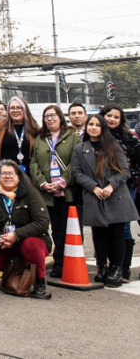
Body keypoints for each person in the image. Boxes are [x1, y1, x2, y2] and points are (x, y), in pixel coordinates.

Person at [73, 114, 139, 287]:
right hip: (94, 195)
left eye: (97, 125)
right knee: (99, 235)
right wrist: (93, 187)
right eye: (91, 124)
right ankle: (101, 266)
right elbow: (77, 172)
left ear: (103, 128)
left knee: (117, 233)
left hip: (115, 195)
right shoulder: (80, 148)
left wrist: (110, 186)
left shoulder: (113, 146)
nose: (93, 127)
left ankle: (116, 268)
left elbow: (125, 170)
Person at [0, 160, 52, 299]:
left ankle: (40, 282)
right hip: (4, 243)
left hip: (29, 241)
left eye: (11, 173)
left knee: (31, 245)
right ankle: (16, 271)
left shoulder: (30, 194)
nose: (8, 176)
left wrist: (16, 235)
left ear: (19, 176)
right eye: (3, 173)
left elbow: (42, 222)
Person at [29, 105, 78, 279]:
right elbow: (33, 162)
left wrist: (63, 182)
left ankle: (69, 262)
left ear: (60, 117)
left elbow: (76, 162)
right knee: (55, 229)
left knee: (68, 229)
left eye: (53, 115)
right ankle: (58, 263)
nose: (49, 119)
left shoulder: (72, 137)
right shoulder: (40, 139)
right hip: (47, 193)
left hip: (67, 192)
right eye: (46, 116)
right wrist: (42, 183)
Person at [99, 105, 140, 280]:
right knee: (104, 228)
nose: (112, 119)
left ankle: (123, 268)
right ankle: (108, 266)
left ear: (121, 120)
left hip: (124, 189)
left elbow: (136, 167)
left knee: (123, 227)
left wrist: (124, 185)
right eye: (109, 116)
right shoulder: (95, 137)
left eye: (116, 117)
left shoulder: (130, 139)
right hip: (100, 190)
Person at [0, 97, 40, 187]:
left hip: (27, 177)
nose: (15, 110)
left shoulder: (33, 127)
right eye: (12, 108)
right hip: (3, 177)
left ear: (25, 109)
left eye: (19, 108)